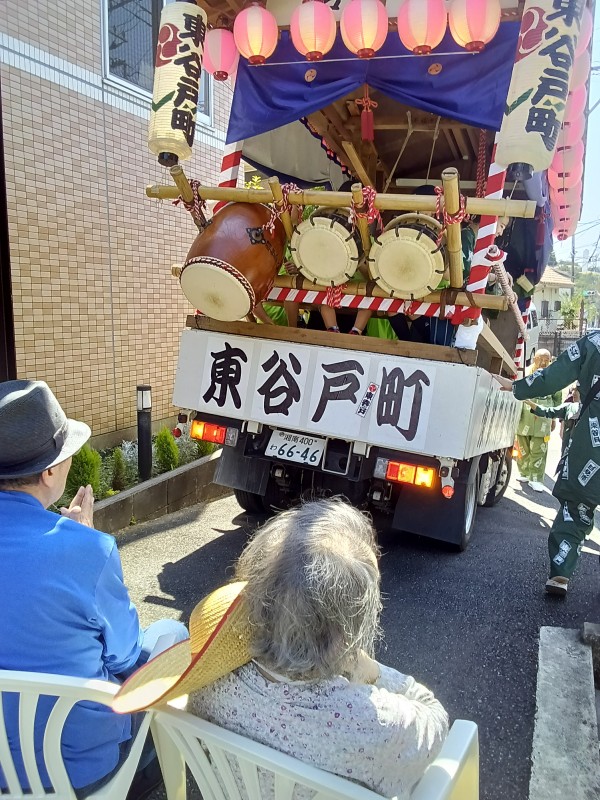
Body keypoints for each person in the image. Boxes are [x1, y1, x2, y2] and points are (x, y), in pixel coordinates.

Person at [112, 499, 448, 798]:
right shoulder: (375, 725)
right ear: (348, 632)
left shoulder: (210, 681)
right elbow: (435, 720)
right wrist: (373, 671)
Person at [0, 380, 188, 797]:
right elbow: (124, 654)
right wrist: (82, 541)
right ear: (50, 471)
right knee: (173, 634)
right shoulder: (89, 549)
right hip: (78, 771)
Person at [495, 333, 600, 596]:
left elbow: (553, 376)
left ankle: (560, 575)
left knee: (576, 510)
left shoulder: (593, 343)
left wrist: (517, 387)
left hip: (591, 444)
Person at [515, 349, 562, 492]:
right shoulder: (525, 373)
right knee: (522, 447)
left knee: (539, 449)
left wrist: (554, 418)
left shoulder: (554, 375)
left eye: (546, 360)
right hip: (525, 415)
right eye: (540, 359)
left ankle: (536, 478)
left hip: (543, 417)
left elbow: (557, 399)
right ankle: (524, 472)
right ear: (534, 359)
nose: (543, 363)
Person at [529, 382, 581, 459]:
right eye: (572, 390)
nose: (573, 393)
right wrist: (532, 404)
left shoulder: (593, 409)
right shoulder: (569, 407)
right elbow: (550, 411)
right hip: (568, 453)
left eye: (577, 390)